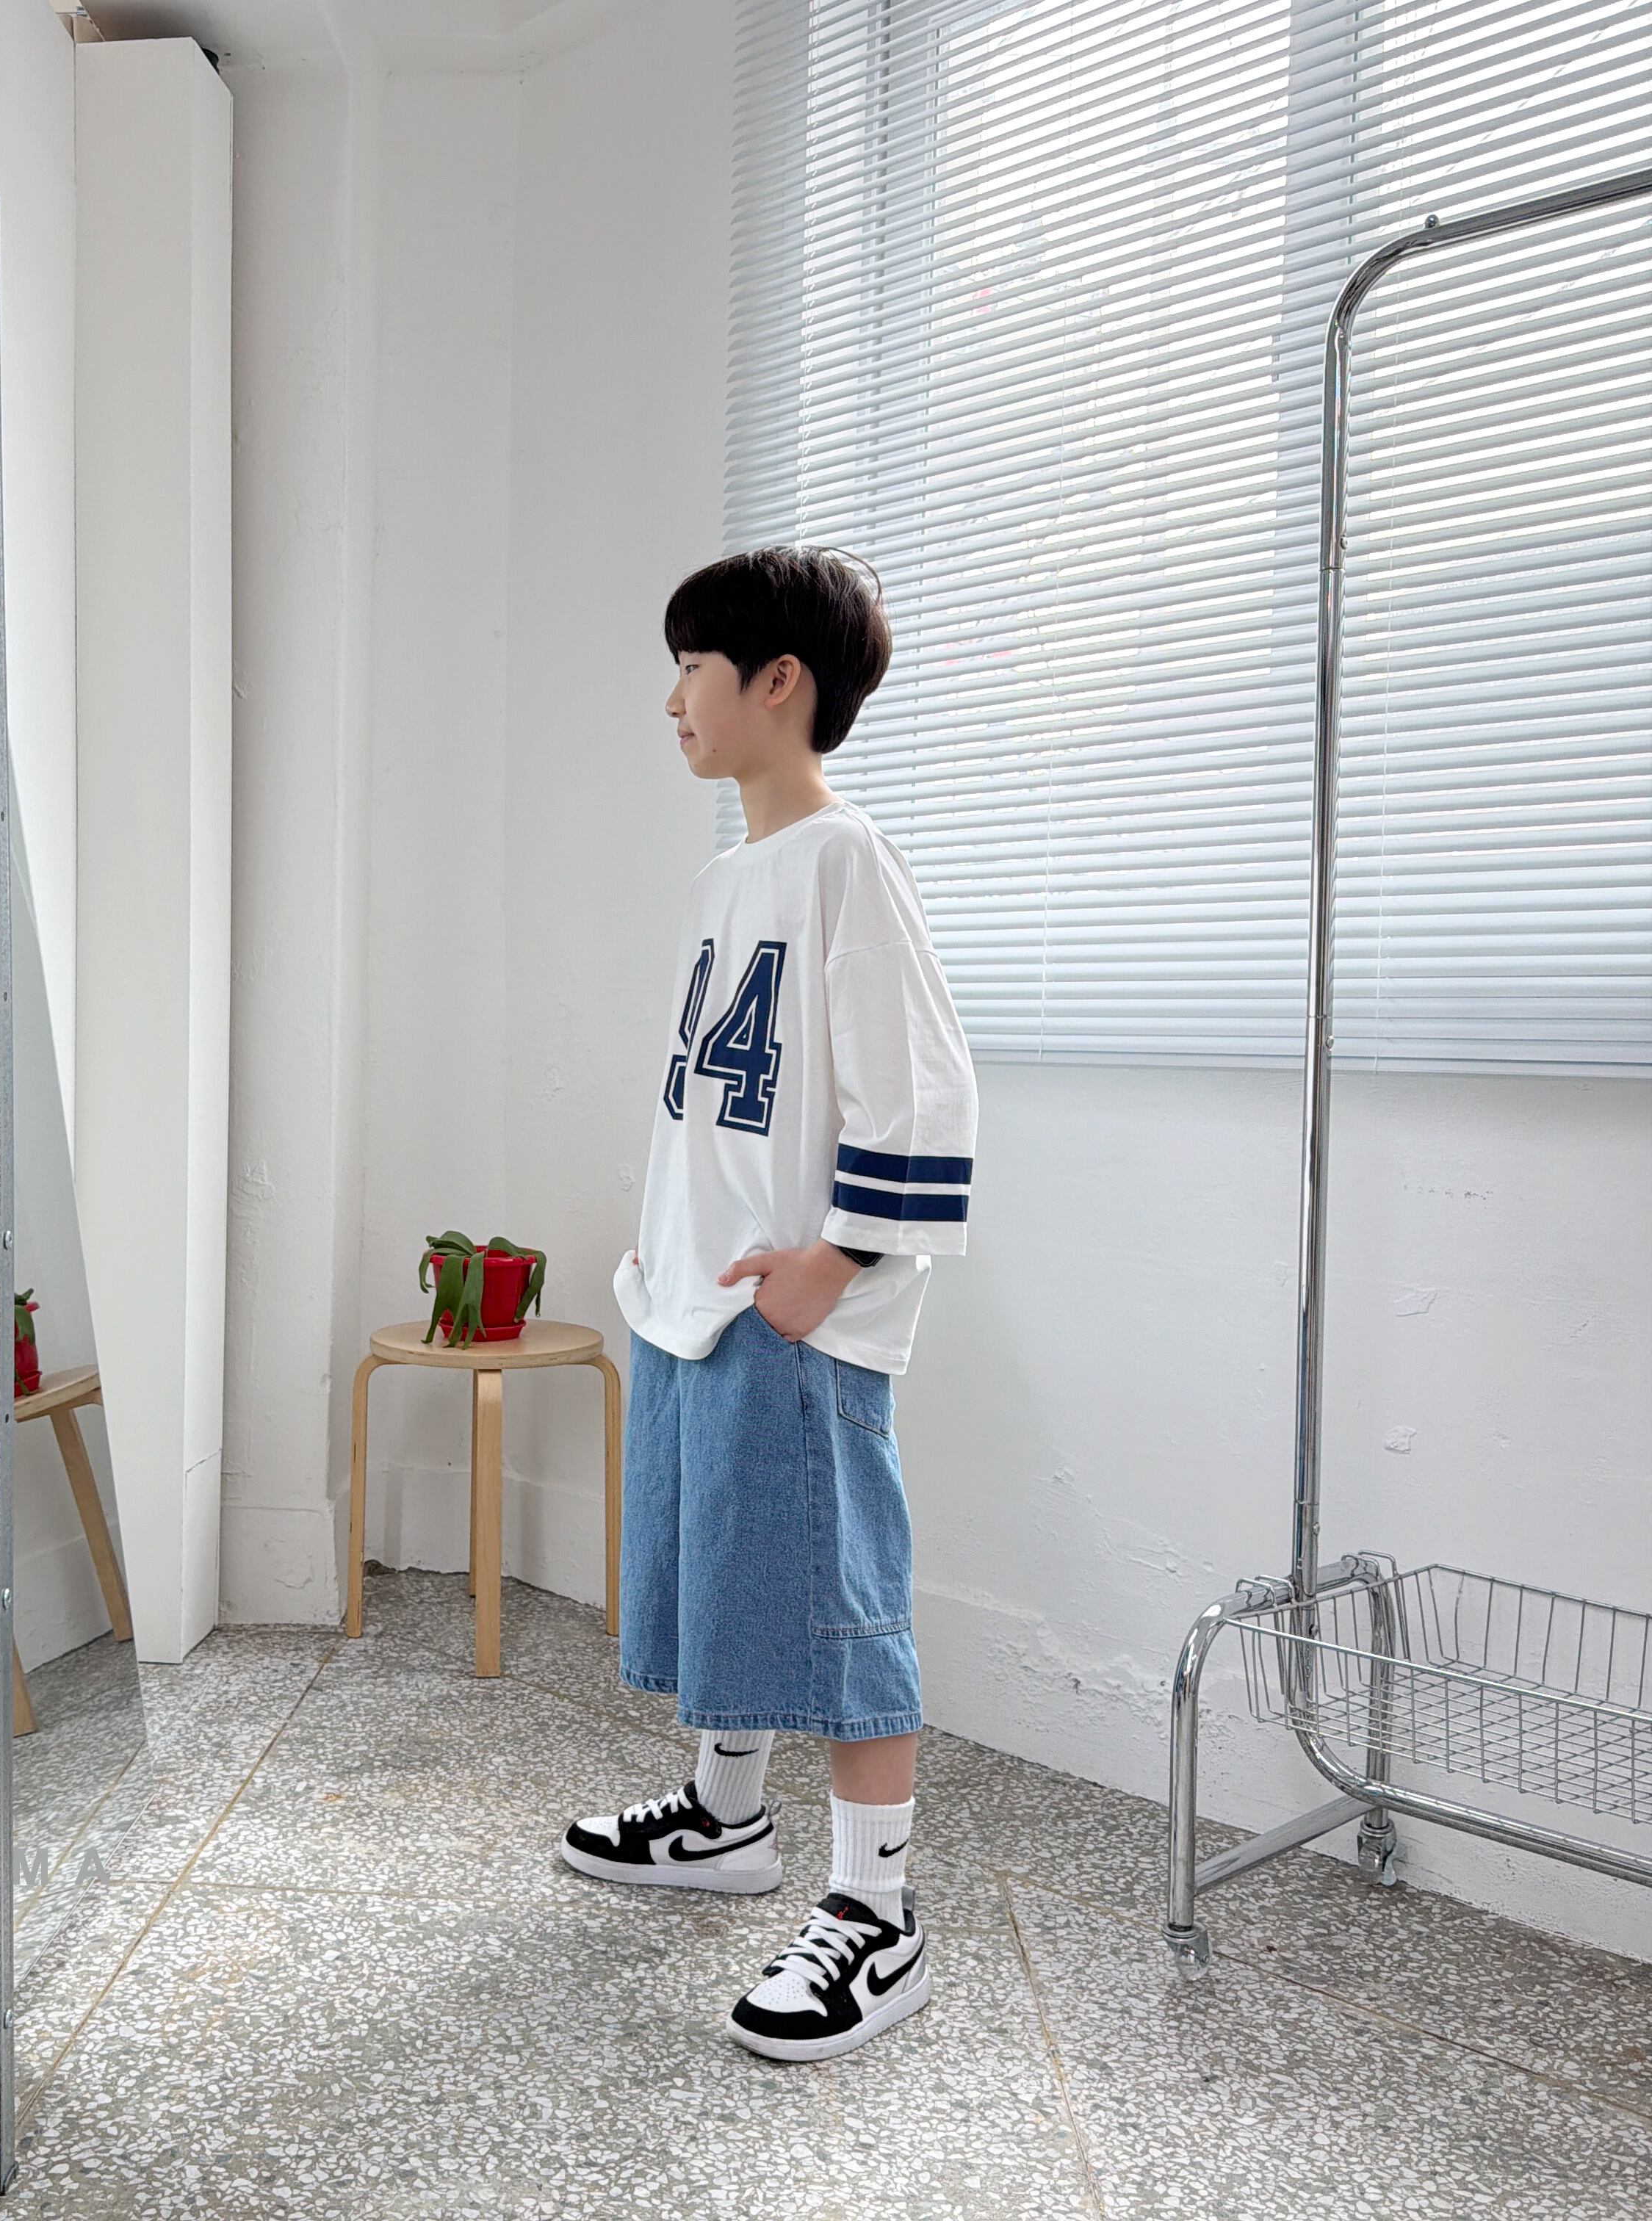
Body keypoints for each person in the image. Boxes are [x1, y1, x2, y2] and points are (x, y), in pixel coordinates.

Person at [560, 546, 977, 2063]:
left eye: (693, 667)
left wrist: (836, 1261)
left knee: (838, 1603)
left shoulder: (843, 860)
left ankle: (879, 1915)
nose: (673, 698)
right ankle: (725, 1820)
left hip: (788, 1314)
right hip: (694, 1297)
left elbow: (925, 1094)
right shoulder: (730, 875)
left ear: (778, 681)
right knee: (723, 1571)